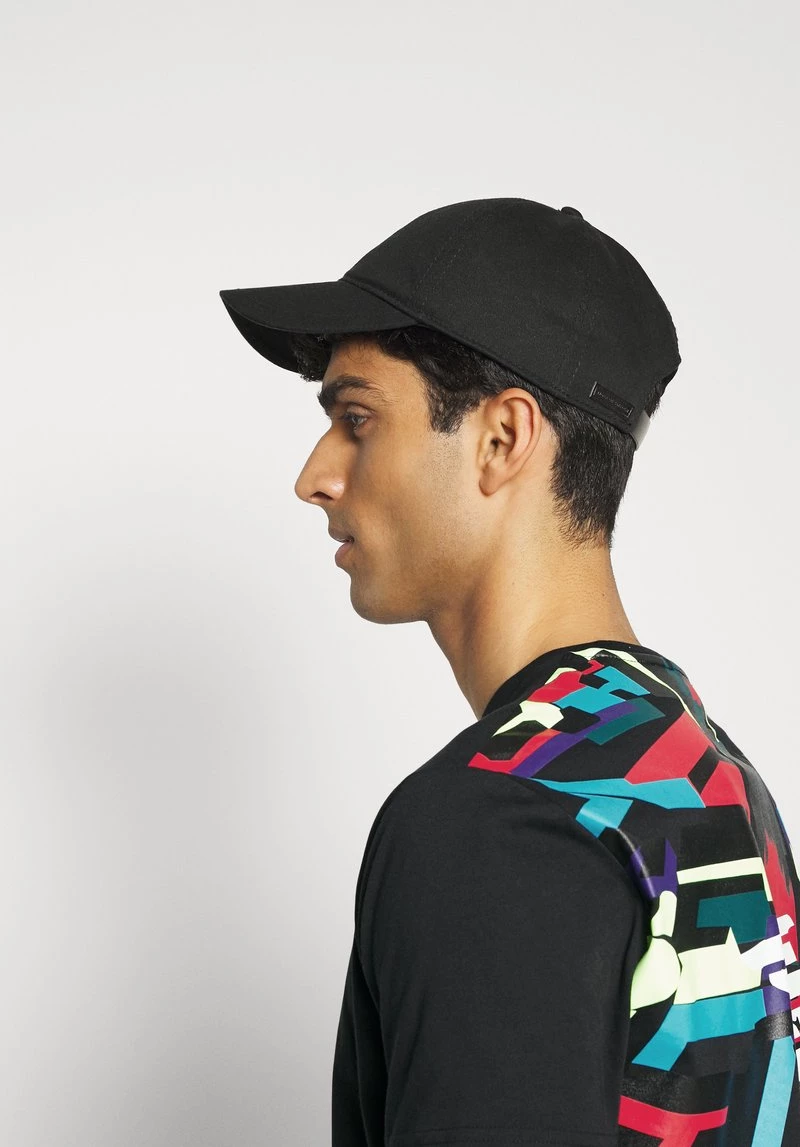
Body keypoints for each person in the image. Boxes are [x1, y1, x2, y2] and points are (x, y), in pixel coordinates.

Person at [219, 198, 800, 1146]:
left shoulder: (496, 819)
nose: (315, 475)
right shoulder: (715, 780)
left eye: (357, 418)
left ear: (501, 438)